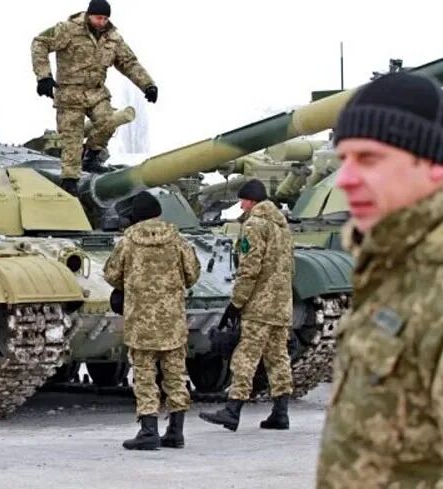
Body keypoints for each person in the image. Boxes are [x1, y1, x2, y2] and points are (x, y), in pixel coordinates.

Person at [316, 72, 443, 487]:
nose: (345, 179)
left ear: (434, 164)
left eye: (369, 159)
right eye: (344, 159)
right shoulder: (394, 269)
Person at [104, 191, 200, 450]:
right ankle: (176, 432)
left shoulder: (128, 241)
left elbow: (112, 274)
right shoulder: (177, 240)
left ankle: (148, 431)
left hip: (141, 321)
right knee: (175, 375)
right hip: (172, 320)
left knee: (145, 375)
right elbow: (192, 274)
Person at [31, 0, 157, 196]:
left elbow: (129, 63)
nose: (102, 22)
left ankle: (91, 157)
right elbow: (39, 42)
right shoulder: (67, 29)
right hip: (70, 94)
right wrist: (43, 77)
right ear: (89, 15)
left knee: (110, 121)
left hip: (96, 92)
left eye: (106, 18)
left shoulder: (112, 38)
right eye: (99, 18)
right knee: (72, 138)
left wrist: (148, 85)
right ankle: (70, 181)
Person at [199, 179, 294, 431]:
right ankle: (280, 413)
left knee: (245, 356)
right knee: (277, 357)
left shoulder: (254, 225)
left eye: (242, 201)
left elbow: (249, 269)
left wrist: (237, 302)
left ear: (251, 201)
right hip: (281, 304)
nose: (241, 206)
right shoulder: (282, 226)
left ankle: (232, 410)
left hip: (259, 305)